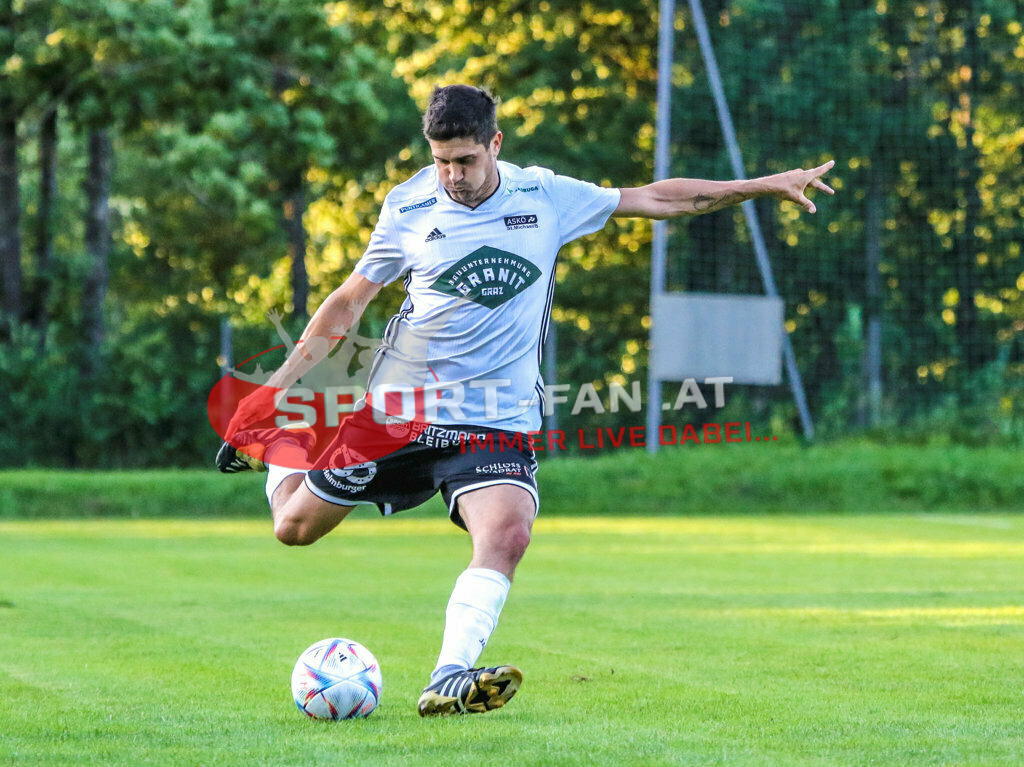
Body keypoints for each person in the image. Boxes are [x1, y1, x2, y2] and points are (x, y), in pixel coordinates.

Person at [216, 84, 834, 717]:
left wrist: (761, 184)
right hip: (399, 412)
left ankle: (448, 676)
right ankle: (282, 444)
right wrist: (277, 390)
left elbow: (653, 197)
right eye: (441, 161)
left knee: (508, 533)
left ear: (495, 145)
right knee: (293, 529)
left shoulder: (544, 196)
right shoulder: (407, 207)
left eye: (466, 160)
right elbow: (349, 300)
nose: (453, 175)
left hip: (497, 418)